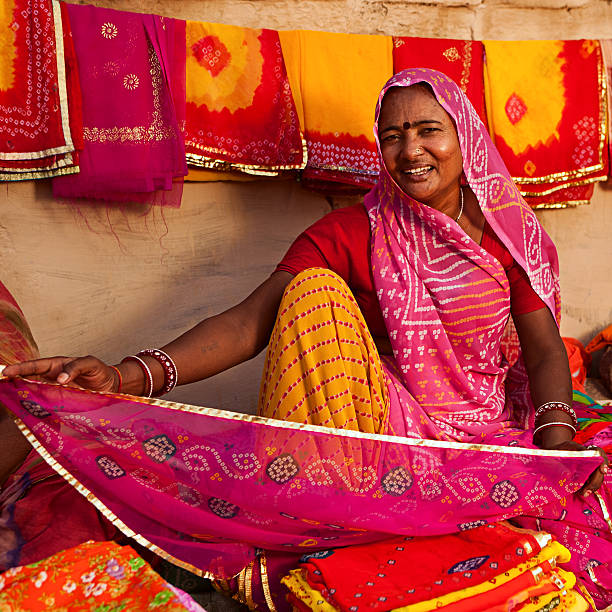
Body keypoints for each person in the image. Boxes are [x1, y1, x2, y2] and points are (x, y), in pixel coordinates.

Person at [2, 68, 611, 609]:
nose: (411, 150)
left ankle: (393, 510)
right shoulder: (355, 230)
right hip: (388, 424)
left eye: (429, 130)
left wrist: (551, 447)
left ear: (466, 140)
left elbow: (543, 346)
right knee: (313, 293)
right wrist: (120, 376)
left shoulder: (506, 232)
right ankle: (323, 508)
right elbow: (247, 324)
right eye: (393, 135)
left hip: (483, 427)